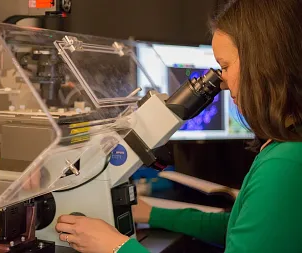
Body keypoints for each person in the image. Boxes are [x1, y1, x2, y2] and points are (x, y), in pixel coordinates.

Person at [54, 0, 302, 252]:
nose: (223, 83)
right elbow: (238, 226)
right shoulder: (286, 147)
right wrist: (152, 214)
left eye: (225, 67)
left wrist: (116, 247)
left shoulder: (284, 163)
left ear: (264, 65)